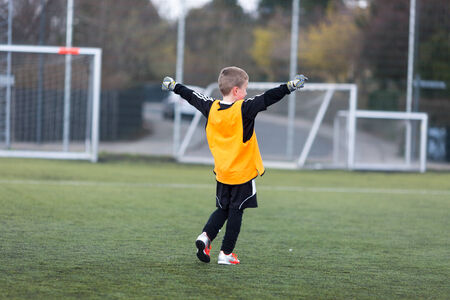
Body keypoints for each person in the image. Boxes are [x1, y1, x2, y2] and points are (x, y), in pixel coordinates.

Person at [162, 67, 307, 265]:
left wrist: (173, 86)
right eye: (245, 89)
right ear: (237, 91)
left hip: (222, 172)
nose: (247, 93)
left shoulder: (210, 107)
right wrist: (290, 87)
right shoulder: (244, 109)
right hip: (242, 173)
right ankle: (226, 253)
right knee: (236, 211)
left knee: (223, 209)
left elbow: (191, 95)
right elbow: (268, 97)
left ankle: (205, 237)